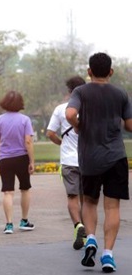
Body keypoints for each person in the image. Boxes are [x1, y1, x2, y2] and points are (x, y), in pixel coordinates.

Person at [65, 52, 132, 273]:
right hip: (116, 157)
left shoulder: (80, 91)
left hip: (90, 159)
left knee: (90, 202)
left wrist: (77, 125)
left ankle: (91, 239)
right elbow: (130, 125)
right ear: (111, 71)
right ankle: (108, 256)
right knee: (112, 206)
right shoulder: (121, 93)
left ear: (89, 71)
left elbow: (70, 113)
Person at [46, 76, 87, 250]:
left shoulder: (61, 109)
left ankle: (78, 225)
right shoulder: (89, 108)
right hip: (88, 159)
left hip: (69, 161)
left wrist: (60, 142)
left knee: (72, 197)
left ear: (69, 91)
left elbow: (50, 133)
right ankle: (88, 235)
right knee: (88, 199)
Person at [0, 91, 35, 234]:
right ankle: (24, 220)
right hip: (21, 158)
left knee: (8, 192)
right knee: (25, 188)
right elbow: (28, 141)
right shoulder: (25, 120)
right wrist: (32, 161)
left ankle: (9, 224)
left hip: (5, 159)